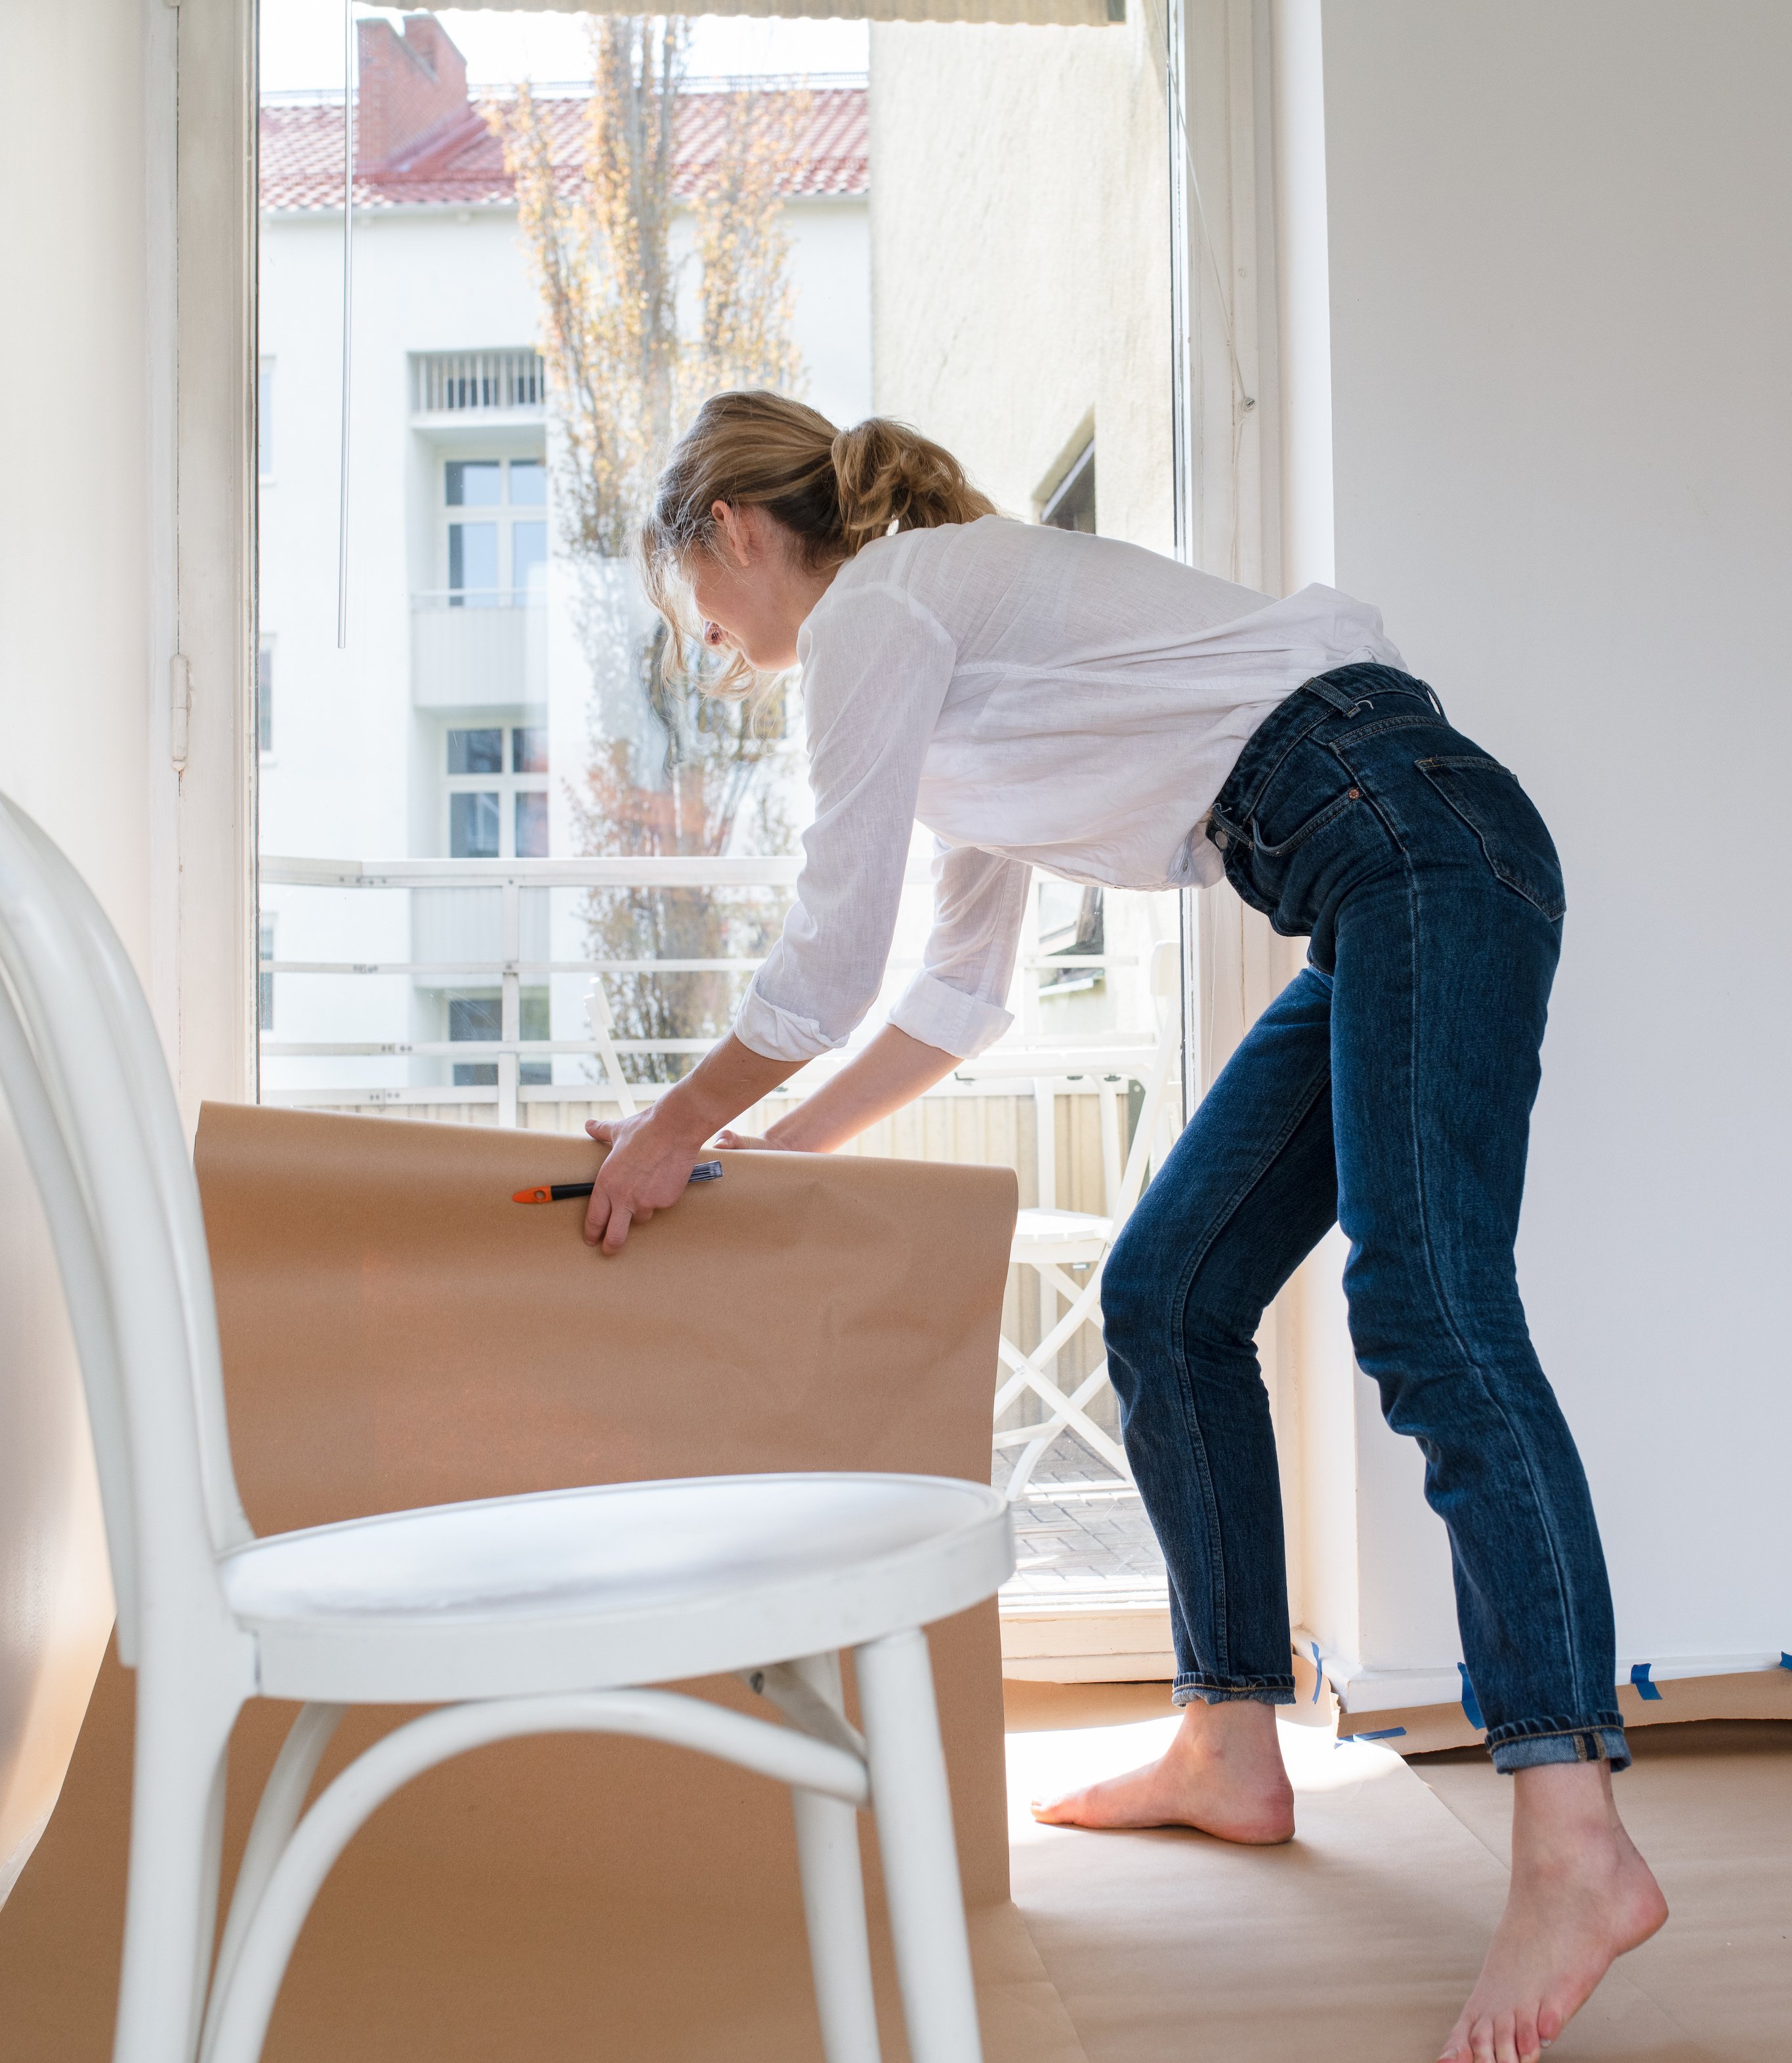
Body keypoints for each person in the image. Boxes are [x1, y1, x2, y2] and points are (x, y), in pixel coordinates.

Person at [579, 390, 1663, 2063]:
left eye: (693, 612)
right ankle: (1228, 1741)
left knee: (1431, 1310)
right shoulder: (947, 656)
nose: (714, 649)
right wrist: (762, 1158)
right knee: (1166, 1290)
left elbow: (825, 958)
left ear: (726, 531)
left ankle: (1572, 1828)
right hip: (1380, 860)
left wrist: (666, 1130)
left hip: (1404, 838)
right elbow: (950, 998)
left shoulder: (887, 601)